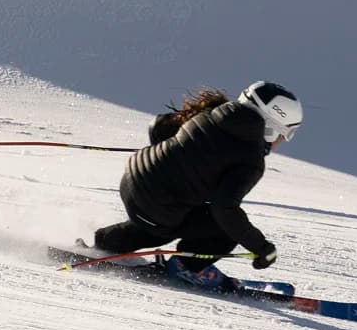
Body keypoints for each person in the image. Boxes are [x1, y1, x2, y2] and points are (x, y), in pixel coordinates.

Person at [91, 81, 303, 288]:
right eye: (286, 133)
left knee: (169, 216)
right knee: (222, 230)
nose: (282, 141)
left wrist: (175, 158)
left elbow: (159, 127)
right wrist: (261, 248)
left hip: (131, 181)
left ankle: (107, 241)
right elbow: (225, 209)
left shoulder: (212, 113)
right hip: (158, 207)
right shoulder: (250, 159)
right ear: (271, 127)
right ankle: (185, 267)